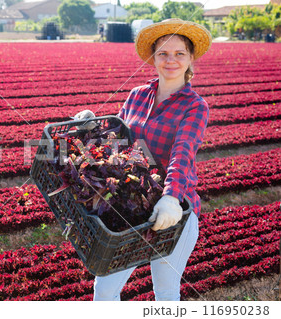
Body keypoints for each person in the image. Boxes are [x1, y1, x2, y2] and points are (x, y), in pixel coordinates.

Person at [76, 18, 212, 301]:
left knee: (165, 292)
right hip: (131, 206)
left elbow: (182, 153)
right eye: (163, 53)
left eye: (179, 54)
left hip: (173, 212)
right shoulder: (138, 95)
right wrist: (92, 129)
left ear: (190, 59)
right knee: (104, 291)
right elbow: (118, 137)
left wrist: (171, 198)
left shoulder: (195, 106)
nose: (170, 60)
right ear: (153, 57)